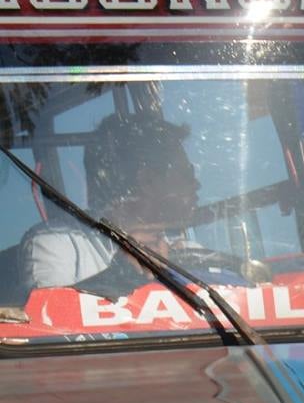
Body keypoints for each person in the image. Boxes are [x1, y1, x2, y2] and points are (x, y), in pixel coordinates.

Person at [22, 110, 246, 297]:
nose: (196, 184)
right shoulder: (57, 246)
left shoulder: (193, 256)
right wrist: (117, 279)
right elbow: (55, 333)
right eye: (187, 174)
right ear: (147, 180)